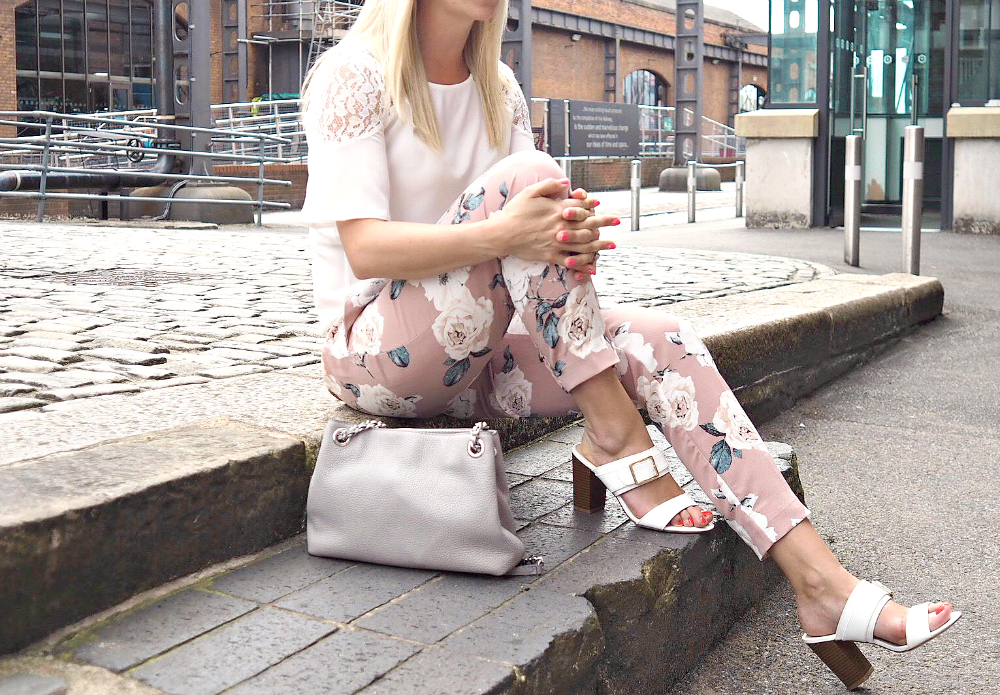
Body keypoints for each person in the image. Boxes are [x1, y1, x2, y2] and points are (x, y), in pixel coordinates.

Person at [300, 0, 958, 686]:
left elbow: (530, 252)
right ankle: (613, 432)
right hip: (377, 355)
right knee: (528, 184)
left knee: (661, 340)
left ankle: (823, 585)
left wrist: (566, 236)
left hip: (485, 356)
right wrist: (510, 231)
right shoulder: (357, 74)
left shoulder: (498, 88)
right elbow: (366, 247)